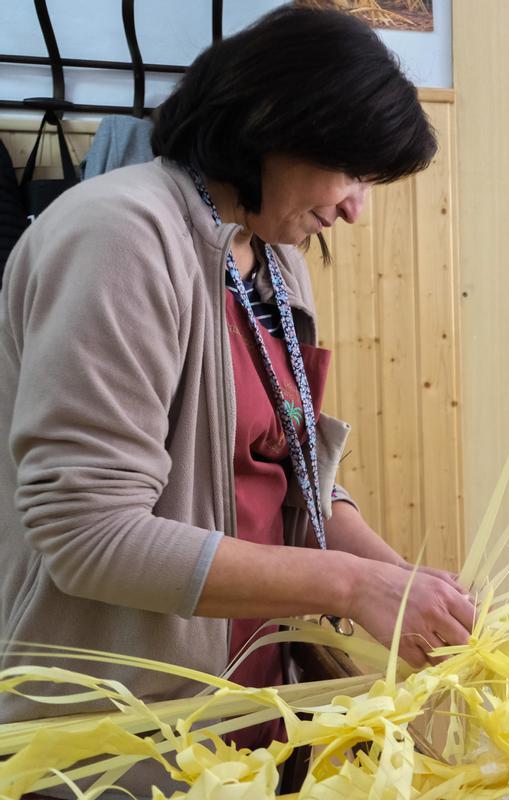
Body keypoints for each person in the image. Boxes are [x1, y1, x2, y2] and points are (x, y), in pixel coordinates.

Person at [0, 6, 475, 770]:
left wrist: (400, 581)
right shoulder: (119, 238)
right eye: (351, 172)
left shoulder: (276, 260)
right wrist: (353, 586)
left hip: (249, 710)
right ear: (272, 125)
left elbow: (293, 476)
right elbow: (89, 535)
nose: (356, 209)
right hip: (121, 737)